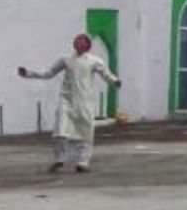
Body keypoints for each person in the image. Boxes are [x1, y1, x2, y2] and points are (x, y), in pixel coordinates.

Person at [19, 34, 120, 174]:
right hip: (66, 99)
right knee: (60, 129)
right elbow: (49, 73)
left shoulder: (95, 61)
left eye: (80, 41)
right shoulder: (65, 59)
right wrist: (29, 73)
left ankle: (83, 162)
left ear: (87, 45)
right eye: (75, 40)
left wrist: (115, 81)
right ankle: (60, 159)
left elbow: (106, 74)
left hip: (85, 102)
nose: (76, 42)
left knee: (86, 132)